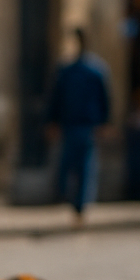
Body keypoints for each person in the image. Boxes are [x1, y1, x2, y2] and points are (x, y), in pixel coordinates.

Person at [47, 27, 112, 223]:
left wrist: (103, 122)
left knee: (79, 166)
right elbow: (57, 98)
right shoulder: (84, 70)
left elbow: (104, 99)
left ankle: (77, 204)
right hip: (76, 125)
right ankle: (76, 203)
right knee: (79, 167)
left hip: (81, 125)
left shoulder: (87, 70)